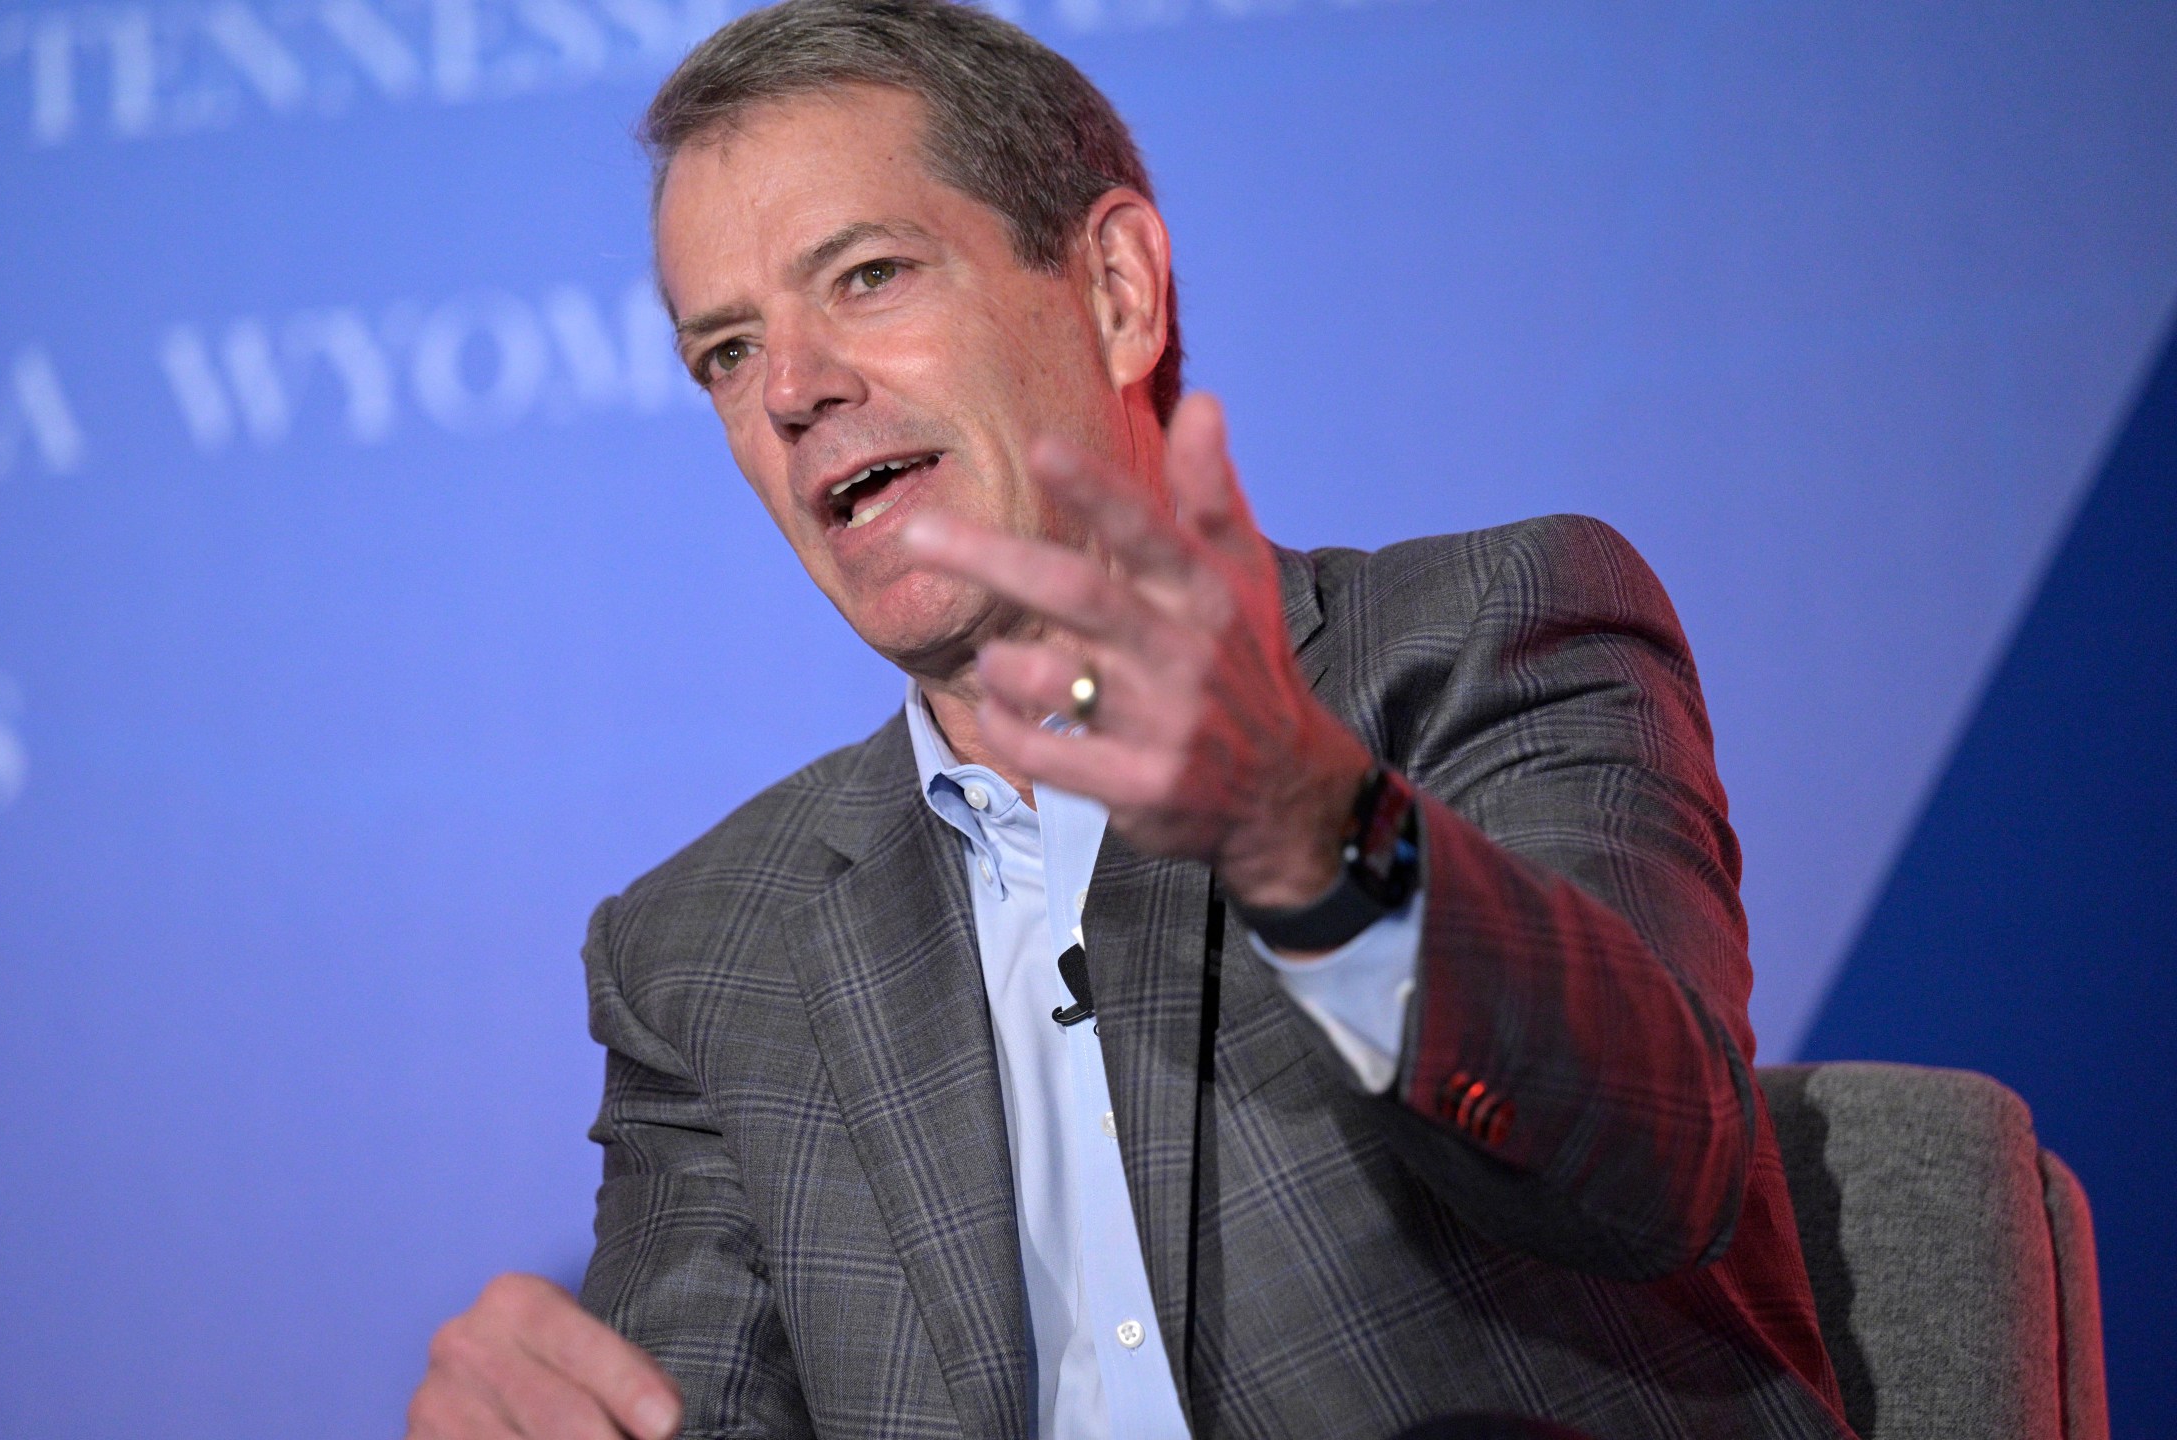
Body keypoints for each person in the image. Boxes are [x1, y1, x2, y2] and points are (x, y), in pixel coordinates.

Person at [406, 1, 1852, 1436]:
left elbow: (1661, 1161)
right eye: (724, 351)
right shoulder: (703, 953)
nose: (790, 391)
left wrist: (1305, 827)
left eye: (866, 277)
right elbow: (692, 1413)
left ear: (1114, 291)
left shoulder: (1482, 639)